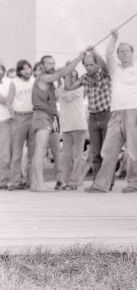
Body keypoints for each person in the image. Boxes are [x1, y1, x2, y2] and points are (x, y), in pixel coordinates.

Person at [86, 30, 137, 193]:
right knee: (108, 150)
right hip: (116, 112)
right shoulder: (115, 69)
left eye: (127, 51)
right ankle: (102, 184)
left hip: (133, 111)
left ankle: (133, 183)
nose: (124, 54)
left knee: (133, 150)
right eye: (121, 52)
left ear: (132, 53)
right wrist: (114, 38)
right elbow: (108, 54)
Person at [30, 53, 84, 191]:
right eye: (49, 63)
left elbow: (62, 79)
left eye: (53, 63)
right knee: (41, 150)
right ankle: (40, 184)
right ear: (42, 66)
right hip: (42, 116)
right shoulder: (43, 78)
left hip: (48, 117)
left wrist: (66, 69)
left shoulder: (50, 82)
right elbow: (61, 73)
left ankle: (36, 184)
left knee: (39, 151)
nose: (52, 66)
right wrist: (78, 58)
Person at [65, 49, 112, 183]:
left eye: (91, 64)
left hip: (106, 115)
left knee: (106, 152)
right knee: (95, 152)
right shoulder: (85, 78)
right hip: (92, 117)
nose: (89, 67)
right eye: (86, 65)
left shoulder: (104, 74)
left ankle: (108, 181)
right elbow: (68, 86)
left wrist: (95, 52)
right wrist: (70, 68)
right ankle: (97, 182)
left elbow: (104, 65)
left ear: (96, 64)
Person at [57, 68, 88, 190]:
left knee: (77, 156)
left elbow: (67, 97)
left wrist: (61, 83)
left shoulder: (80, 88)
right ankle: (66, 180)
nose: (72, 79)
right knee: (66, 156)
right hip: (66, 126)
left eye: (75, 77)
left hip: (78, 125)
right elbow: (62, 94)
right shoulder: (60, 89)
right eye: (70, 77)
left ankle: (74, 181)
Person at [7, 60, 35, 191]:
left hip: (33, 116)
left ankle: (31, 181)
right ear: (19, 71)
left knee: (33, 152)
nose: (27, 71)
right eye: (24, 69)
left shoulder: (34, 80)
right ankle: (14, 182)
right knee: (17, 152)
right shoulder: (14, 82)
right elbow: (9, 102)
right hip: (20, 117)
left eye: (29, 68)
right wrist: (14, 118)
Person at [0, 63, 13, 190]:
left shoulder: (9, 82)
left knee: (4, 154)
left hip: (4, 120)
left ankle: (3, 181)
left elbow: (9, 100)